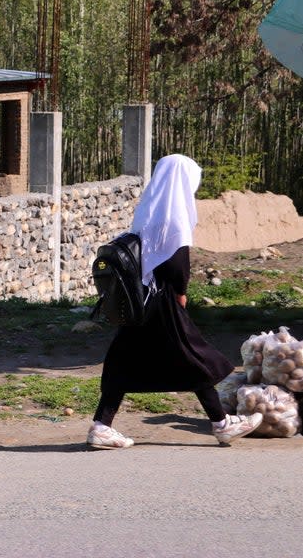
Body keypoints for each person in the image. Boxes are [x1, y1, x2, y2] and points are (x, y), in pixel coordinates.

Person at [87, 154, 262, 449]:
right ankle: (221, 424)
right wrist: (181, 291)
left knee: (129, 359)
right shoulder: (173, 215)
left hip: (142, 297)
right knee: (191, 354)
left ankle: (102, 425)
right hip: (162, 300)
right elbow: (176, 263)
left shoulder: (148, 210)